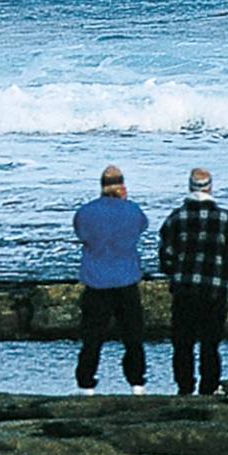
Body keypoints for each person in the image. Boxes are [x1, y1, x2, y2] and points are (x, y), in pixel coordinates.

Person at [158, 167, 228, 397]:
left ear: (189, 187)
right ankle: (209, 388)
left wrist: (175, 273)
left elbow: (166, 256)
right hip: (214, 289)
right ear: (210, 187)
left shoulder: (175, 218)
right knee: (210, 343)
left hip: (184, 289)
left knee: (183, 343)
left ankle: (185, 387)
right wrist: (227, 278)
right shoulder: (226, 219)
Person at [71, 164, 148, 395]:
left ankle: (86, 384)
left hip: (96, 281)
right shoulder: (133, 211)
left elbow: (82, 234)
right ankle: (137, 382)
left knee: (92, 337)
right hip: (126, 279)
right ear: (122, 186)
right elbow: (141, 228)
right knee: (133, 335)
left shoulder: (86, 212)